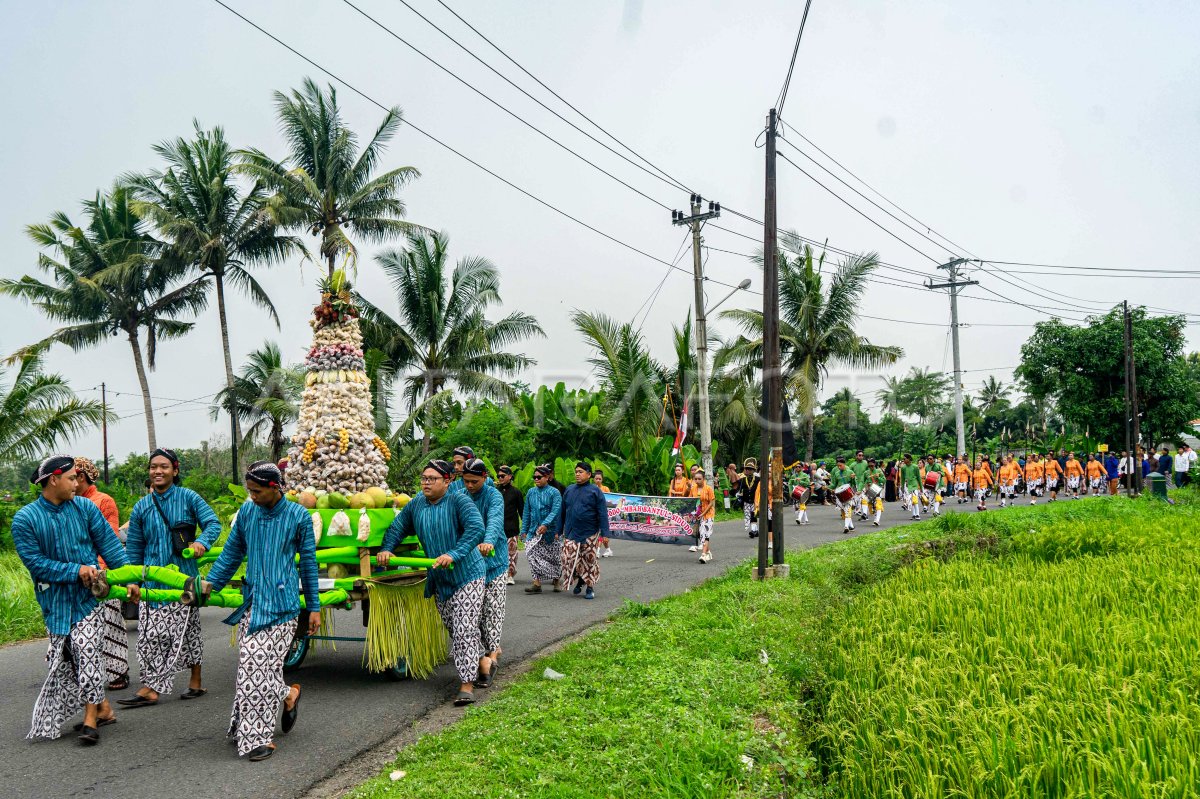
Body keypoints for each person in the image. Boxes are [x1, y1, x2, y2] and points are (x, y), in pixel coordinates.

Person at [12, 455, 136, 745]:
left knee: (87, 649)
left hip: (87, 598)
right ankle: (103, 707)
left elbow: (110, 544)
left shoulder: (85, 509)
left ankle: (90, 719)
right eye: (71, 478)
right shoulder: (25, 519)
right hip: (54, 603)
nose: (77, 483)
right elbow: (36, 563)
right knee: (69, 658)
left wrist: (130, 577)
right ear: (53, 480)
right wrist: (75, 569)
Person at [202, 462, 319, 761]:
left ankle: (257, 738)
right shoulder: (247, 514)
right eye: (249, 491)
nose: (251, 496)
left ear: (274, 487)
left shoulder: (298, 516)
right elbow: (231, 553)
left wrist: (314, 607)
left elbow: (307, 564)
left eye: (256, 491)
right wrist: (210, 583)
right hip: (253, 601)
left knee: (255, 665)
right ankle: (287, 695)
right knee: (253, 665)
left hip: (283, 606)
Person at [379, 459, 487, 707]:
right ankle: (483, 662)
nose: (426, 483)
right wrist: (387, 548)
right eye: (424, 479)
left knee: (464, 629)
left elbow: (476, 528)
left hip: (467, 574)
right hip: (440, 578)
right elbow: (398, 527)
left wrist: (455, 553)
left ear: (447, 481)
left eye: (432, 479)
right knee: (456, 627)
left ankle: (466, 685)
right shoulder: (416, 504)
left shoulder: (459, 500)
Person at [120, 448, 221, 708]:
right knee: (150, 635)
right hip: (153, 584)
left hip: (184, 581)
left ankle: (195, 681)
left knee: (189, 632)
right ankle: (151, 687)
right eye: (153, 467)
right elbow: (134, 547)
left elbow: (213, 523)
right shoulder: (142, 506)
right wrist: (133, 579)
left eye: (164, 466)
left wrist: (202, 542)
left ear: (175, 470)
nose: (158, 471)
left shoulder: (189, 497)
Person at [72, 457, 130, 692]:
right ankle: (89, 677)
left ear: (81, 477)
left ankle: (118, 672)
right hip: (76, 575)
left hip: (102, 573)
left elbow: (111, 538)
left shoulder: (102, 501)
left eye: (72, 477)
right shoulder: (69, 503)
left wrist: (101, 572)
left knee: (111, 625)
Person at [460, 459, 507, 688]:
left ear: (485, 477)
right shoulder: (459, 494)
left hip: (494, 562)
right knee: (473, 614)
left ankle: (493, 654)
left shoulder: (493, 496)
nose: (469, 485)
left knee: (492, 608)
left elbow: (495, 521)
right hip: (469, 563)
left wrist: (488, 541)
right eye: (466, 481)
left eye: (474, 481)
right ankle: (481, 657)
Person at [560, 462, 609, 600]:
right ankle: (580, 579)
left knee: (589, 559)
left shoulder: (595, 491)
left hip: (590, 532)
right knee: (568, 558)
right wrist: (559, 530)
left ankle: (589, 587)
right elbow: (562, 512)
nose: (577, 474)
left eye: (581, 471)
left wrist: (605, 533)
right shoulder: (569, 490)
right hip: (571, 532)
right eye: (576, 471)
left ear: (589, 474)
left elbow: (603, 513)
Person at [521, 465, 563, 593]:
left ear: (547, 477)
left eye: (539, 477)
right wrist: (524, 530)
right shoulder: (531, 492)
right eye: (534, 477)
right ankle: (536, 583)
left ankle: (556, 580)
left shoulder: (554, 492)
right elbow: (527, 512)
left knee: (554, 557)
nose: (536, 479)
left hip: (552, 531)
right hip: (534, 530)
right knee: (531, 553)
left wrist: (546, 524)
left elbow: (555, 511)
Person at [495, 466, 524, 585]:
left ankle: (510, 575)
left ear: (510, 476)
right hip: (497, 527)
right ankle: (499, 574)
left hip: (511, 527)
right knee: (497, 552)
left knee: (511, 553)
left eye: (503, 476)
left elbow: (522, 511)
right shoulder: (495, 491)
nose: (500, 478)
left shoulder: (516, 492)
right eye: (498, 476)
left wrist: (525, 529)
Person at [693, 470, 716, 563]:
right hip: (698, 514)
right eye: (696, 479)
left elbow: (711, 502)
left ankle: (703, 555)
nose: (697, 481)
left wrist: (703, 513)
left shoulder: (708, 489)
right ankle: (708, 552)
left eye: (699, 479)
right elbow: (691, 500)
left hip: (708, 514)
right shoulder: (693, 489)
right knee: (700, 533)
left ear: (704, 479)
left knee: (705, 533)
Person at [830, 456, 857, 533]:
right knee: (845, 510)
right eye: (837, 466)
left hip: (848, 493)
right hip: (840, 494)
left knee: (848, 509)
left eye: (840, 465)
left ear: (844, 464)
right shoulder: (836, 473)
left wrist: (853, 478)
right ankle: (851, 526)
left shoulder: (850, 472)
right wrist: (827, 487)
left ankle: (846, 526)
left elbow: (854, 484)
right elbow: (834, 484)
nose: (839, 467)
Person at [593, 469, 613, 558]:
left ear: (602, 480)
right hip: (594, 513)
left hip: (603, 513)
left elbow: (609, 500)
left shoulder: (605, 489)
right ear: (593, 479)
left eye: (599, 479)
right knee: (600, 533)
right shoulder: (591, 488)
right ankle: (608, 550)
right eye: (596, 479)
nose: (598, 480)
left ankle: (597, 551)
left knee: (601, 533)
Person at [738, 459, 760, 538]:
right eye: (747, 469)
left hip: (755, 501)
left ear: (754, 470)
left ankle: (753, 531)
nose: (748, 471)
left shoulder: (758, 480)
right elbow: (739, 490)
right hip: (746, 501)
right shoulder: (742, 480)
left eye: (750, 469)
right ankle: (755, 531)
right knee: (748, 516)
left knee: (753, 515)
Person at [899, 454, 922, 521]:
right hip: (907, 486)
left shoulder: (915, 467)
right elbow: (902, 478)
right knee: (910, 501)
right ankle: (914, 514)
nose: (904, 460)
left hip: (914, 485)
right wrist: (902, 487)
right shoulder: (903, 468)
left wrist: (921, 487)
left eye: (905, 458)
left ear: (909, 459)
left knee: (915, 499)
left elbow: (918, 477)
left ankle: (917, 514)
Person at [865, 458, 886, 526]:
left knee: (878, 505)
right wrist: (862, 489)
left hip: (877, 490)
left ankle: (877, 520)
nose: (871, 467)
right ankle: (867, 515)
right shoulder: (866, 473)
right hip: (870, 490)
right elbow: (862, 482)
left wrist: (878, 478)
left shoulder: (879, 471)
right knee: (869, 505)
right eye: (869, 466)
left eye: (872, 465)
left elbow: (884, 480)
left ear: (874, 464)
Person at [849, 451, 870, 520]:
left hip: (863, 484)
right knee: (856, 500)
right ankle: (857, 510)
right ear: (856, 456)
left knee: (863, 498)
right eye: (859, 455)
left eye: (862, 455)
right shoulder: (852, 465)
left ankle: (864, 513)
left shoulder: (866, 463)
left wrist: (868, 483)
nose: (861, 456)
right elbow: (849, 474)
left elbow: (869, 473)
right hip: (855, 484)